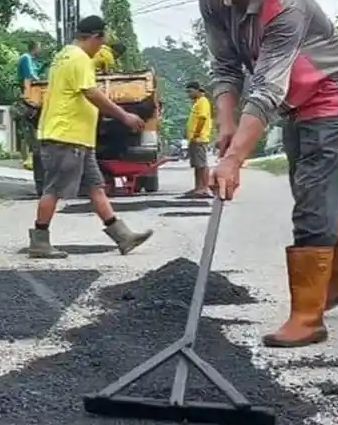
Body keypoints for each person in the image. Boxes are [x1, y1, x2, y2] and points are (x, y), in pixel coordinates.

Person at [199, 0, 338, 348]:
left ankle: (308, 318)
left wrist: (235, 157)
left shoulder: (285, 4)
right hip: (296, 97)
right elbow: (225, 66)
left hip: (331, 91)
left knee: (312, 192)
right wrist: (226, 123)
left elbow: (267, 86)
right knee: (313, 186)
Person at [26, 16, 154, 259]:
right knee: (53, 189)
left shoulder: (65, 54)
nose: (102, 46)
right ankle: (39, 241)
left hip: (79, 139)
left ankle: (123, 236)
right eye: (102, 40)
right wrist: (124, 116)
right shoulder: (78, 58)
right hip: (65, 136)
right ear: (95, 36)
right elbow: (92, 94)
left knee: (96, 188)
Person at [182, 81, 213, 198]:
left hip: (199, 139)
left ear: (197, 90)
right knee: (196, 165)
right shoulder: (197, 103)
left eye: (190, 91)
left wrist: (196, 134)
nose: (188, 94)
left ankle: (204, 188)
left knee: (202, 165)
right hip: (194, 139)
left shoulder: (203, 102)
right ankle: (198, 188)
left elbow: (202, 119)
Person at [16, 41, 42, 170]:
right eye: (39, 47)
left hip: (26, 94)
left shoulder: (29, 59)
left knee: (27, 130)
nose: (40, 50)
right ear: (35, 48)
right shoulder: (26, 58)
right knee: (28, 130)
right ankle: (26, 159)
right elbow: (28, 76)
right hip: (27, 94)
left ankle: (26, 158)